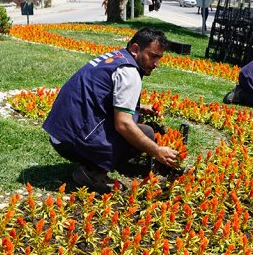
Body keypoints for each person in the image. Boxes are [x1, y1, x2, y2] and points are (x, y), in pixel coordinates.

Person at [43, 27, 181, 193]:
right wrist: (157, 151)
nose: (156, 63)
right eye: (153, 56)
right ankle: (92, 173)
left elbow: (101, 95)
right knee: (146, 133)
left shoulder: (117, 57)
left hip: (59, 133)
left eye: (159, 58)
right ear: (135, 49)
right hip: (71, 141)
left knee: (137, 125)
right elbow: (123, 125)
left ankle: (98, 161)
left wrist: (140, 107)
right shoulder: (129, 72)